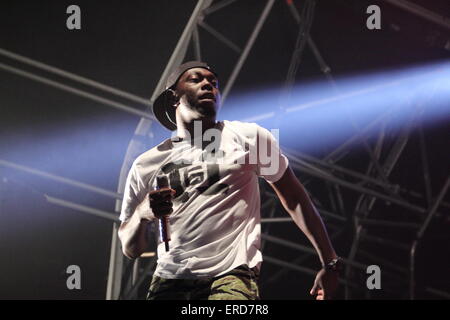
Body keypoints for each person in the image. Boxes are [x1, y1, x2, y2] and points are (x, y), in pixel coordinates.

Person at [118, 61, 341, 300]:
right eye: (196, 79)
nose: (208, 85)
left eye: (213, 83)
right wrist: (142, 214)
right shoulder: (147, 164)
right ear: (174, 97)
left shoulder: (250, 137)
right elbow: (131, 249)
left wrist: (330, 263)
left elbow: (295, 198)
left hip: (231, 275)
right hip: (169, 279)